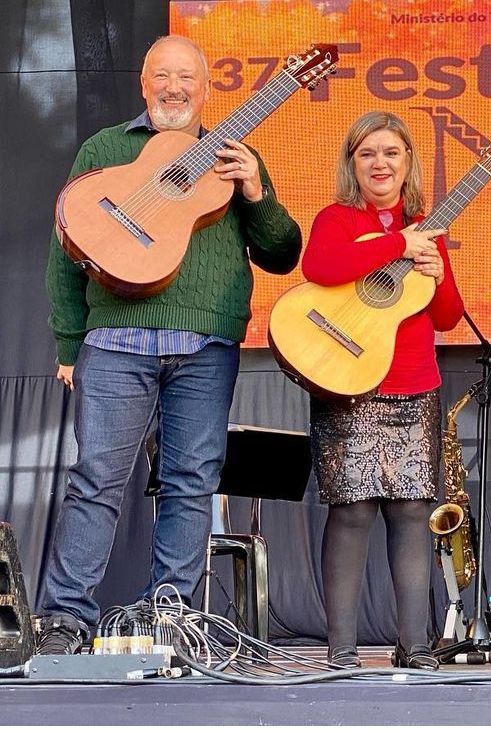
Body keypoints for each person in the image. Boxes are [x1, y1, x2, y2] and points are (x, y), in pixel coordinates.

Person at [38, 35, 302, 653]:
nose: (173, 87)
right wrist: (69, 341)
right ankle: (64, 621)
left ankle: (174, 619)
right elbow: (65, 248)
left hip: (207, 345)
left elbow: (283, 254)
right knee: (96, 478)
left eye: (186, 77)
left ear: (208, 91)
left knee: (191, 482)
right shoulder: (105, 149)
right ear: (144, 83)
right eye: (162, 75)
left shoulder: (239, 157)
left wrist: (257, 193)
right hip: (116, 341)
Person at [300, 111, 462, 670]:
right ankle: (342, 649)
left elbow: (447, 319)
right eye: (368, 153)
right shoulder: (337, 219)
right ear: (352, 163)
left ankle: (414, 646)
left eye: (392, 153)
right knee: (351, 511)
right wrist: (396, 244)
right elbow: (320, 265)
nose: (380, 163)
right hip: (349, 384)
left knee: (413, 512)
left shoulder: (425, 227)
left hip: (416, 385)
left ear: (408, 162)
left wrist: (435, 269)